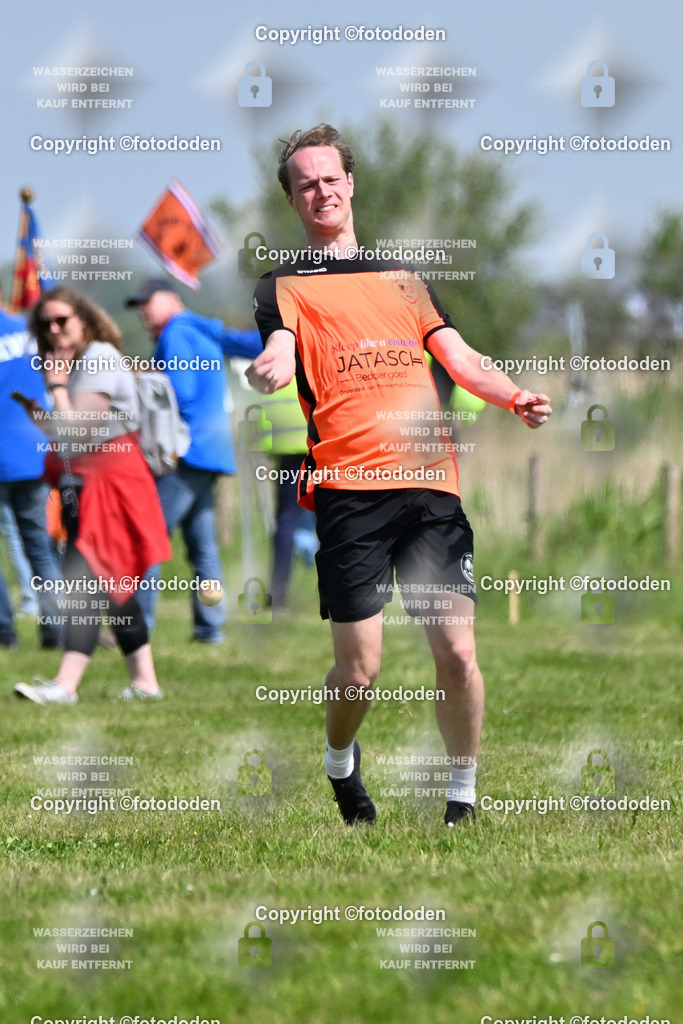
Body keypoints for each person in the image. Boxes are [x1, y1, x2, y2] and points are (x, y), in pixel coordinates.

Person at [246, 124, 552, 827]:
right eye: (306, 184)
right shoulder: (283, 285)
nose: (320, 191)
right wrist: (270, 368)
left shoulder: (407, 280)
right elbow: (281, 347)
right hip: (348, 494)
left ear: (350, 185)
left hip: (428, 489)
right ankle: (339, 763)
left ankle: (462, 799)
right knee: (359, 673)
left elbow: (463, 359)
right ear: (293, 200)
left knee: (456, 648)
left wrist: (514, 396)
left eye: (330, 178)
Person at [13, 287, 170, 704]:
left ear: (84, 318)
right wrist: (47, 418)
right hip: (92, 482)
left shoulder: (98, 357)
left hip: (108, 485)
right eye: (46, 325)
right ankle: (146, 683)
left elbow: (81, 432)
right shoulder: (86, 360)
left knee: (86, 581)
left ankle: (65, 686)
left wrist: (58, 385)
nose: (54, 330)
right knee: (112, 580)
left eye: (62, 320)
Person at [125, 280, 262, 643]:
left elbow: (180, 392)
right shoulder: (202, 328)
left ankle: (138, 628)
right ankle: (209, 627)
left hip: (184, 454)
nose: (142, 310)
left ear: (173, 300)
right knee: (203, 547)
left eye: (148, 301)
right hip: (213, 453)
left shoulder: (176, 331)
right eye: (139, 304)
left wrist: (146, 382)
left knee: (148, 540)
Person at [0, 304, 63, 648]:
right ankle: (55, 629)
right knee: (40, 547)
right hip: (33, 456)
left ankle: (4, 632)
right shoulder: (31, 330)